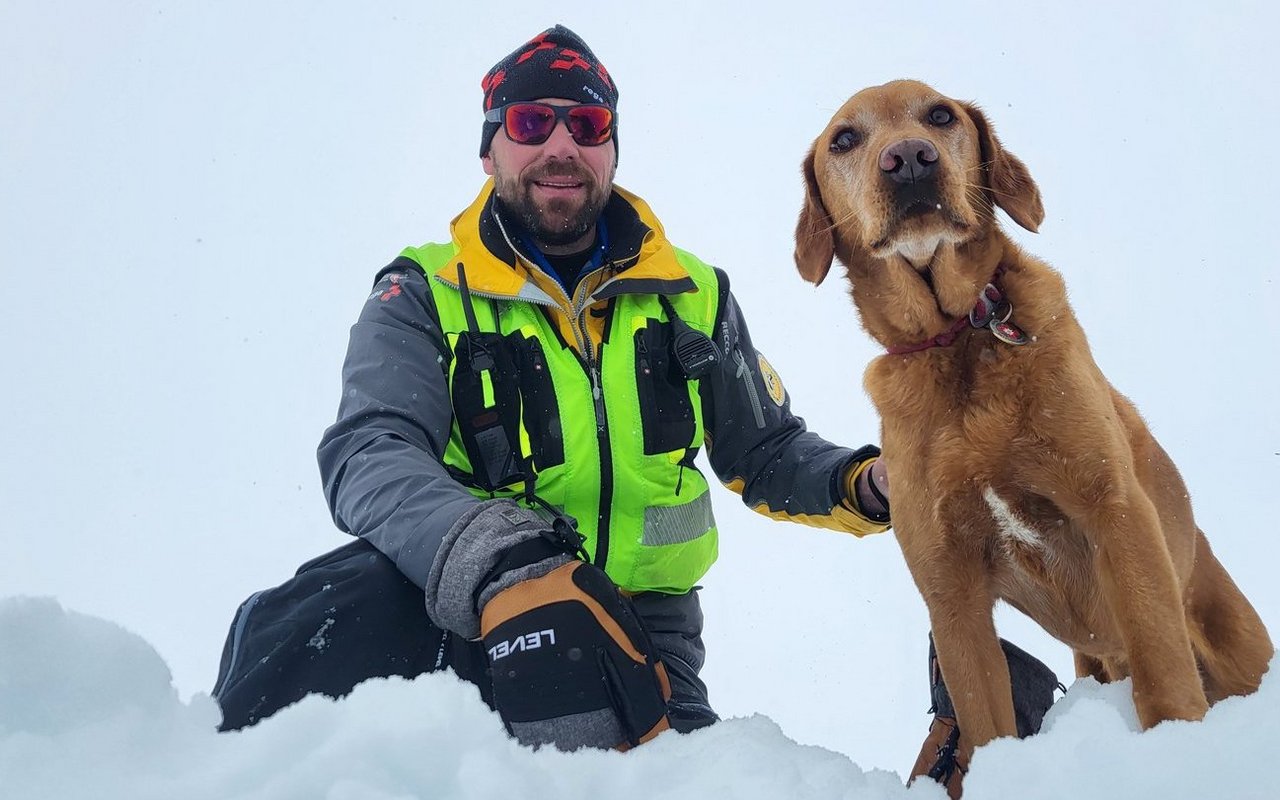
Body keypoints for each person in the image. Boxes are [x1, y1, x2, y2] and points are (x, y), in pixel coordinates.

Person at [212, 24, 1051, 785]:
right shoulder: (423, 293)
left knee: (699, 782)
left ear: (613, 148)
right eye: (532, 124)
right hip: (479, 624)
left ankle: (970, 759)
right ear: (490, 149)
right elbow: (371, 450)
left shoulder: (691, 294)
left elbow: (764, 454)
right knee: (328, 608)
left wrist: (868, 484)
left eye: (588, 126)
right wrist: (502, 561)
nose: (562, 146)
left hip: (645, 641)